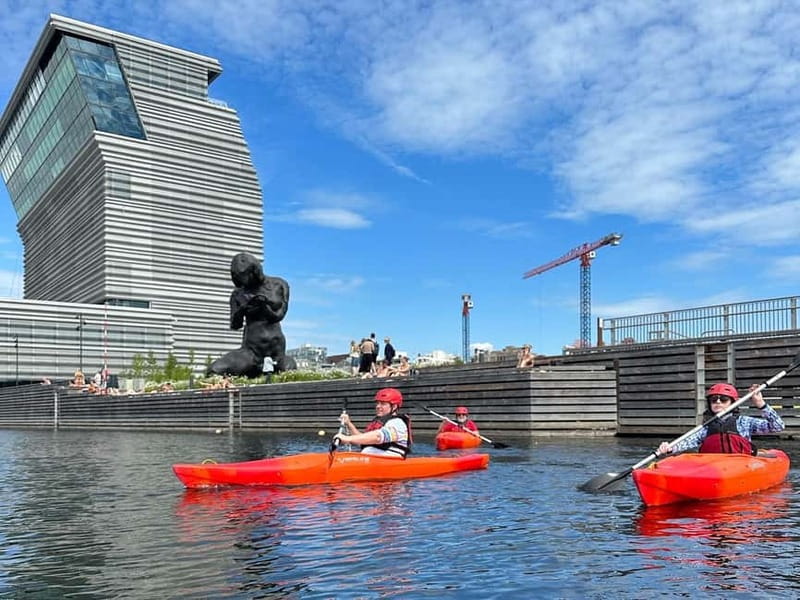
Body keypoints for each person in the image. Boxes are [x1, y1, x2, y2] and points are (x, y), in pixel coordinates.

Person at [657, 383, 785, 456]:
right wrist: (670, 448)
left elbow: (778, 426)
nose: (718, 402)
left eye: (723, 399)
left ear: (732, 403)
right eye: (714, 400)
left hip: (742, 465)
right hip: (714, 466)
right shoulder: (706, 427)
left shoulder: (744, 422)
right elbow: (688, 441)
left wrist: (761, 404)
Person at [335, 387, 411, 458]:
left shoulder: (397, 423)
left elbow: (378, 437)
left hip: (390, 464)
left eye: (383, 404)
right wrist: (349, 423)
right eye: (377, 403)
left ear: (394, 407)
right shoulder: (381, 421)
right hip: (373, 462)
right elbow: (362, 440)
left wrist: (348, 439)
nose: (378, 406)